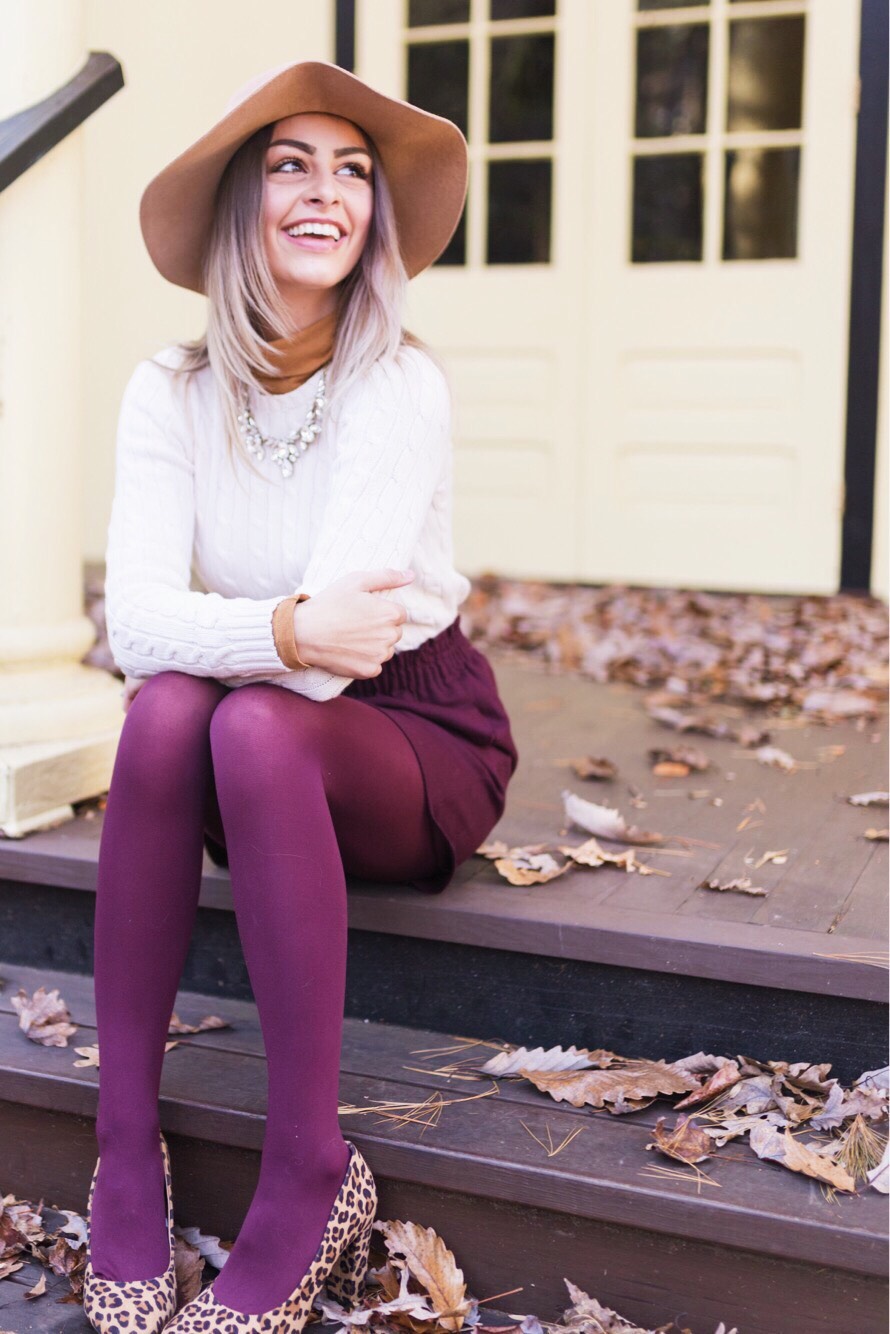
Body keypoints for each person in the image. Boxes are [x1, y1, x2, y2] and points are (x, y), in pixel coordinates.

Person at [82, 60, 519, 1334]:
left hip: (413, 733)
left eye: (351, 171)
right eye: (290, 165)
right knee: (169, 713)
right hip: (241, 732)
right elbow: (133, 626)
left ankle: (309, 1166)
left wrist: (254, 638)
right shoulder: (168, 390)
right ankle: (122, 1145)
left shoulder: (398, 383)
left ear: (373, 214)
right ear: (243, 204)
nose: (324, 192)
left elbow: (341, 656)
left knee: (251, 717)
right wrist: (279, 624)